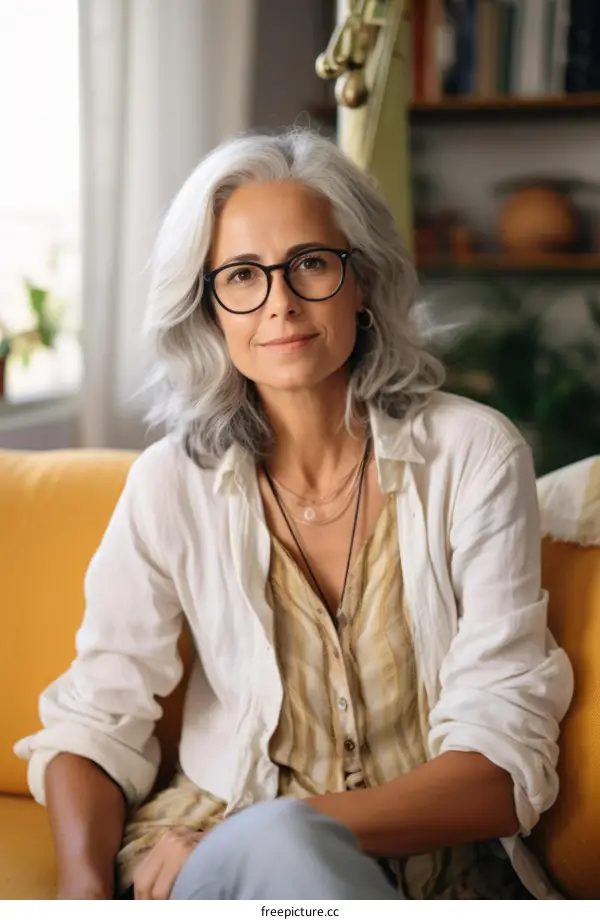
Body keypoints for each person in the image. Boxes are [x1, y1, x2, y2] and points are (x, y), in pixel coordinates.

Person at [15, 129, 573, 901]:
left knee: (286, 843)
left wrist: (292, 822)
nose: (279, 302)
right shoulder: (171, 483)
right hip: (214, 864)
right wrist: (81, 898)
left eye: (311, 263)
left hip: (438, 875)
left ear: (363, 281)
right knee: (276, 851)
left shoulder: (472, 454)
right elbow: (94, 721)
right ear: (207, 307)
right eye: (242, 275)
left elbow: (502, 768)